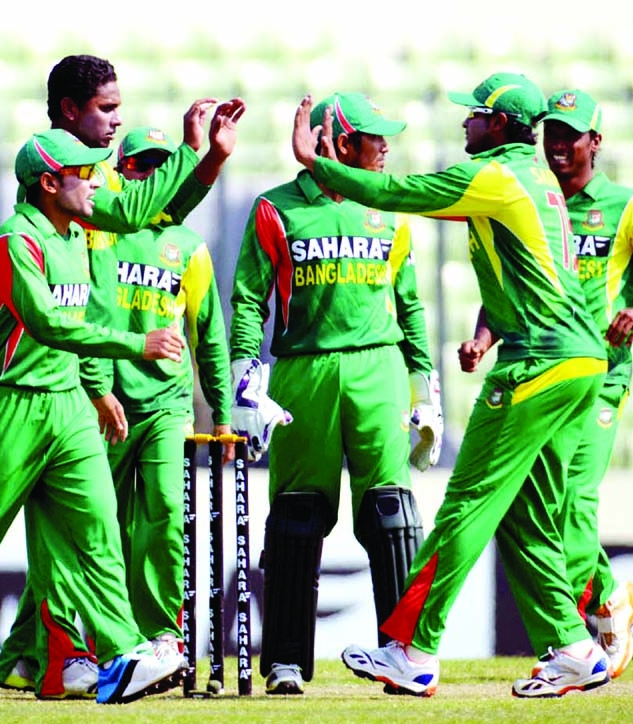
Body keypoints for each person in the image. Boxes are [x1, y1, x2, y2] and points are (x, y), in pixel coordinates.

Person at [292, 73, 614, 698]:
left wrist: (318, 166)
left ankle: (413, 650)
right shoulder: (539, 177)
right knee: (523, 513)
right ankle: (574, 646)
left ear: (498, 125)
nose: (465, 123)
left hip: (538, 365)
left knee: (465, 507)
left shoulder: (495, 176)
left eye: (474, 115)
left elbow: (397, 193)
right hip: (581, 362)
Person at [0, 129, 189, 704]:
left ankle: (121, 655)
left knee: (97, 529)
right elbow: (49, 324)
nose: (98, 181)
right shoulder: (15, 242)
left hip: (67, 401)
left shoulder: (79, 233)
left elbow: (143, 207)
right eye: (85, 174)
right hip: (10, 405)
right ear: (50, 183)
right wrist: (134, 344)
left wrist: (198, 152)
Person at [0, 54, 245, 696]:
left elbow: (164, 211)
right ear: (71, 111)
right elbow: (137, 212)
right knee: (58, 534)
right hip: (61, 387)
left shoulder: (156, 227)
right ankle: (42, 650)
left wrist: (206, 158)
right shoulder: (73, 186)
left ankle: (140, 641)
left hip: (147, 402)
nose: (117, 121)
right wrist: (98, 383)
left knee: (140, 520)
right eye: (106, 109)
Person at [459, 88, 633, 680]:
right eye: (552, 133)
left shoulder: (627, 204)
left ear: (596, 142)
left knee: (571, 504)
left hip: (600, 377)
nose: (559, 144)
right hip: (536, 371)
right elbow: (508, 286)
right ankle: (611, 599)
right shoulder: (525, 193)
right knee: (536, 505)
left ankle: (603, 608)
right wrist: (484, 337)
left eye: (571, 135)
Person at [229, 92, 442, 695]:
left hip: (378, 369)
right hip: (305, 371)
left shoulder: (391, 209)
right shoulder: (276, 208)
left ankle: (403, 652)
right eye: (375, 138)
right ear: (340, 143)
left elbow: (410, 303)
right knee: (298, 516)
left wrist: (424, 387)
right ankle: (287, 662)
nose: (386, 148)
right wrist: (249, 380)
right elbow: (249, 298)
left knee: (392, 513)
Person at [102, 124, 233, 656]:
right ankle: (105, 638)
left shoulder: (189, 247)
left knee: (164, 517)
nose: (151, 175)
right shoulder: (101, 231)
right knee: (103, 525)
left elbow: (210, 337)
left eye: (162, 166)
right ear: (120, 170)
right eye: (139, 165)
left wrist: (221, 415)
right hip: (103, 401)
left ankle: (160, 636)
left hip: (165, 406)